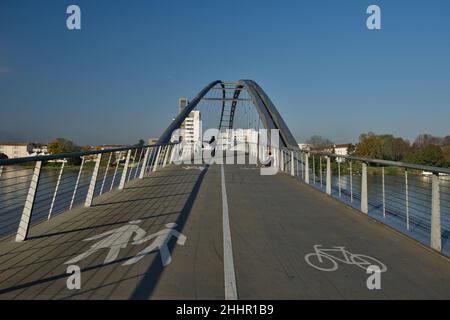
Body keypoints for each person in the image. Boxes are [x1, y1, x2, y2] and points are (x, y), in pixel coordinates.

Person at [64, 220, 146, 265]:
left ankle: (75, 259)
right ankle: (108, 262)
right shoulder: (135, 227)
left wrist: (95, 237)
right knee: (113, 251)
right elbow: (142, 232)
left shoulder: (132, 227)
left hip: (112, 239)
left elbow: (110, 232)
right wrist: (136, 239)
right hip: (120, 240)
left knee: (94, 249)